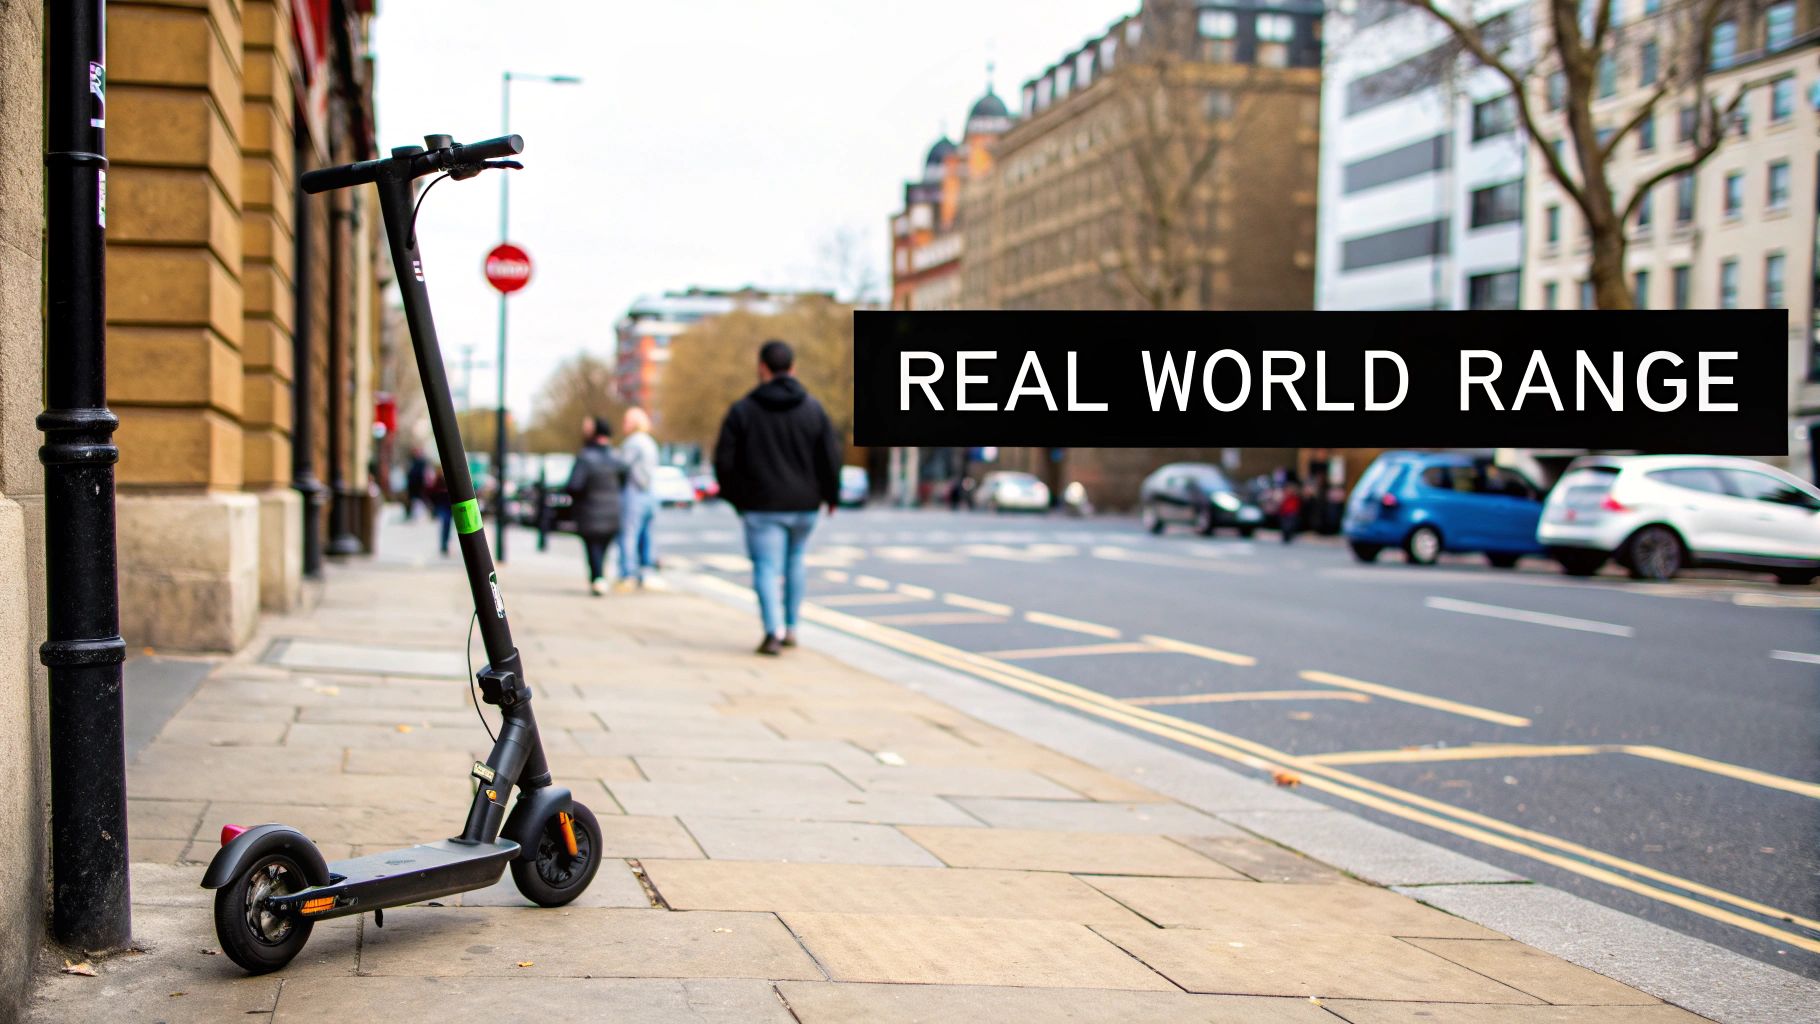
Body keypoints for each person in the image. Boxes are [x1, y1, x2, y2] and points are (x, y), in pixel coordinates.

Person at [713, 339, 841, 655]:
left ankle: (773, 632)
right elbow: (830, 456)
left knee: (767, 568)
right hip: (805, 504)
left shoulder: (743, 410)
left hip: (761, 505)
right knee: (795, 560)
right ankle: (792, 628)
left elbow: (723, 462)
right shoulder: (813, 408)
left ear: (762, 368)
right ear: (793, 368)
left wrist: (736, 498)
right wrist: (831, 494)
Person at [566, 416, 625, 596]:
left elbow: (573, 486)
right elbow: (624, 479)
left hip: (590, 512)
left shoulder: (585, 458)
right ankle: (599, 577)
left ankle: (597, 578)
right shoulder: (617, 458)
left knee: (593, 547)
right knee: (602, 548)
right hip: (613, 512)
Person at [616, 407, 660, 592]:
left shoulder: (632, 443)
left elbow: (621, 467)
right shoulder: (650, 442)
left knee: (629, 534)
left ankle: (628, 574)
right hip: (650, 493)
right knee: (646, 536)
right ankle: (646, 572)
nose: (623, 425)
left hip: (634, 492)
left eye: (626, 421)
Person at [425, 465, 453, 556]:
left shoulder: (451, 479)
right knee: (445, 523)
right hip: (442, 505)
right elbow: (431, 492)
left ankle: (445, 543)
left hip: (449, 506)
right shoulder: (438, 480)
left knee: (447, 525)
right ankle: (444, 544)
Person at [403, 446, 429, 520]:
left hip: (419, 486)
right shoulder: (412, 461)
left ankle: (419, 516)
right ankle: (416, 516)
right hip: (413, 487)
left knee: (418, 502)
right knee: (415, 502)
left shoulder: (422, 462)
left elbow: (423, 475)